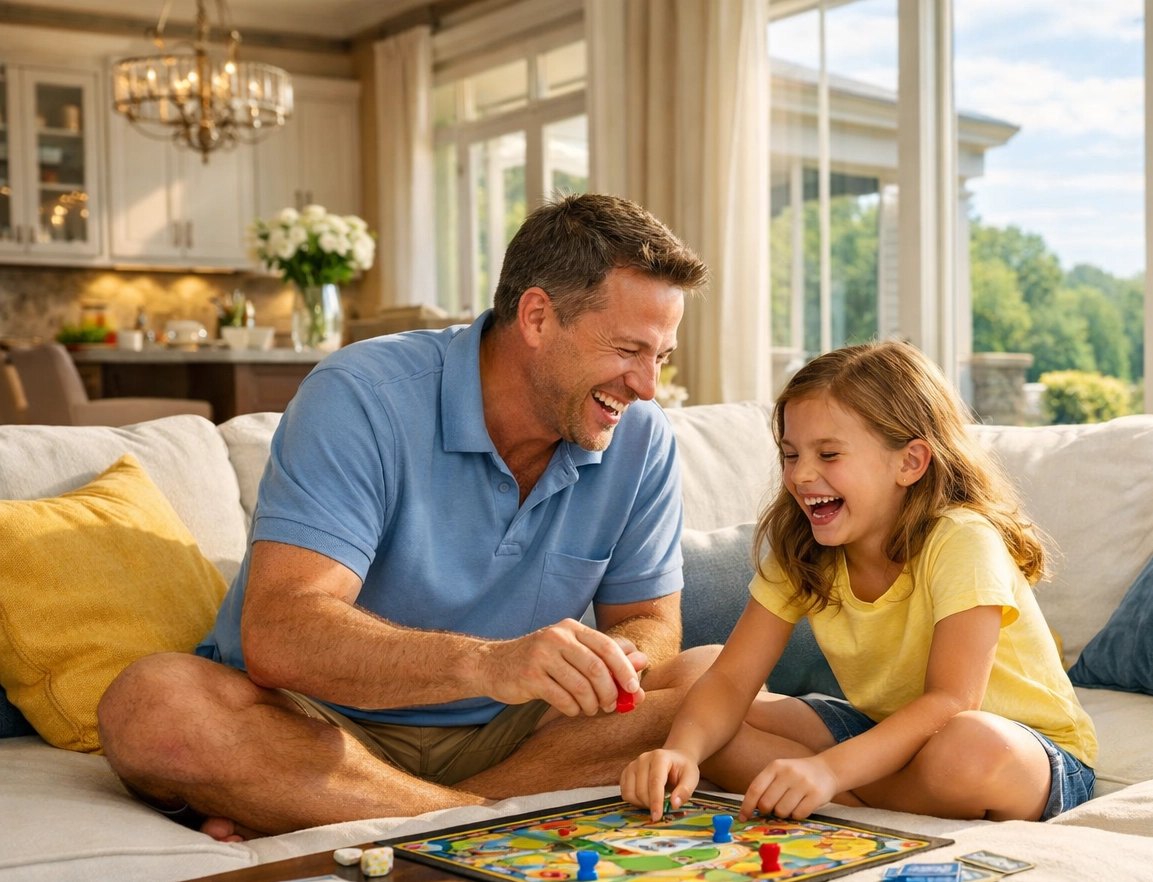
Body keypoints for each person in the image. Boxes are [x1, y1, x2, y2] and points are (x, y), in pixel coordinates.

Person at [98, 193, 716, 841]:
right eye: (628, 350)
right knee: (153, 704)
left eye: (661, 358)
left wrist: (615, 659)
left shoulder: (640, 436)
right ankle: (472, 822)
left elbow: (652, 622)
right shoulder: (362, 397)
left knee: (712, 679)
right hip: (313, 723)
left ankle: (361, 810)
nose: (647, 386)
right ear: (537, 316)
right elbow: (281, 633)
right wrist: (490, 663)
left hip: (515, 733)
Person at [621, 341, 1097, 823]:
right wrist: (682, 751)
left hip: (1029, 752)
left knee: (971, 746)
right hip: (889, 732)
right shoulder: (802, 546)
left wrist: (829, 771)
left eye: (829, 454)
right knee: (702, 697)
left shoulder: (962, 539)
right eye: (790, 454)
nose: (802, 475)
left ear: (910, 463)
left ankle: (846, 796)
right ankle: (871, 792)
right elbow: (731, 678)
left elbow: (952, 702)